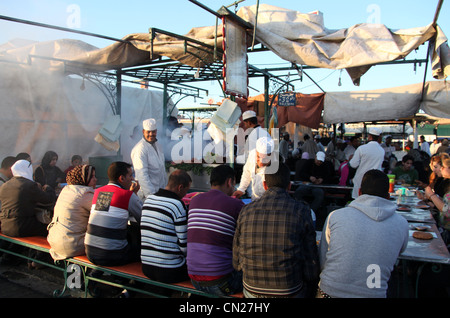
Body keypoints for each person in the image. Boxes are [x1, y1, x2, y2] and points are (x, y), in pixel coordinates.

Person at [318, 169, 409, 298]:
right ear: (388, 196)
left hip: (329, 292)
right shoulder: (402, 223)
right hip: (373, 293)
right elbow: (398, 254)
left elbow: (323, 258)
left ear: (359, 192)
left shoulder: (335, 216)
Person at [233, 162, 319, 298]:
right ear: (289, 186)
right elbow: (311, 264)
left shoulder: (246, 210)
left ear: (264, 185)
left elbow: (237, 263)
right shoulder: (302, 210)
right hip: (289, 290)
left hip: (251, 289)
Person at [187, 164, 245, 296]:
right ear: (230, 182)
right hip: (222, 283)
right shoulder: (235, 204)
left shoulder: (194, 201)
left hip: (194, 279)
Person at [84, 161, 142, 266]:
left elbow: (110, 213)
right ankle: (132, 281)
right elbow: (143, 219)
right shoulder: (127, 195)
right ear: (122, 178)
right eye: (130, 175)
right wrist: (134, 194)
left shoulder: (99, 191)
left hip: (91, 252)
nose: (133, 179)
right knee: (140, 249)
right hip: (113, 255)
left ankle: (97, 272)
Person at [141, 169, 192, 284]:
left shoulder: (148, 200)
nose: (185, 194)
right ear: (180, 188)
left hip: (146, 267)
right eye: (186, 190)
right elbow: (184, 245)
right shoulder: (177, 205)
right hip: (171, 270)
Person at [47, 164, 97, 260]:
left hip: (54, 239)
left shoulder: (67, 189)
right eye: (92, 177)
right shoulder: (85, 194)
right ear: (83, 178)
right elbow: (104, 212)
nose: (95, 179)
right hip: (71, 244)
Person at [0, 160, 56, 237]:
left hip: (5, 226)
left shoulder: (5, 185)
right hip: (21, 226)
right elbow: (48, 199)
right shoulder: (29, 185)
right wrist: (48, 188)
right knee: (51, 229)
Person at [131, 118, 167, 200]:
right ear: (143, 132)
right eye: (148, 132)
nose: (151, 134)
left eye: (153, 131)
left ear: (156, 131)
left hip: (160, 192)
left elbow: (162, 169)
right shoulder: (140, 149)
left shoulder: (158, 145)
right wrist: (151, 196)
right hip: (147, 195)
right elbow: (142, 175)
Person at [294, 151, 334, 216]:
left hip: (318, 186)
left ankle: (310, 212)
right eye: (318, 160)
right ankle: (302, 209)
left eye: (321, 161)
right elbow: (302, 173)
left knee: (320, 195)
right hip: (307, 184)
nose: (319, 162)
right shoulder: (308, 163)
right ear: (315, 157)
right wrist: (309, 177)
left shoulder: (326, 165)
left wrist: (322, 179)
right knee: (298, 192)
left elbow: (329, 176)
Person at [349, 128, 385, 199]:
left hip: (361, 179)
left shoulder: (361, 149)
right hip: (374, 181)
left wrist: (351, 160)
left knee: (359, 201)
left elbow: (353, 164)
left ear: (369, 137)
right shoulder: (381, 150)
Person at [423, 155, 450, 245]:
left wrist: (431, 195)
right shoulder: (445, 181)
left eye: (444, 167)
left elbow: (446, 210)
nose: (441, 169)